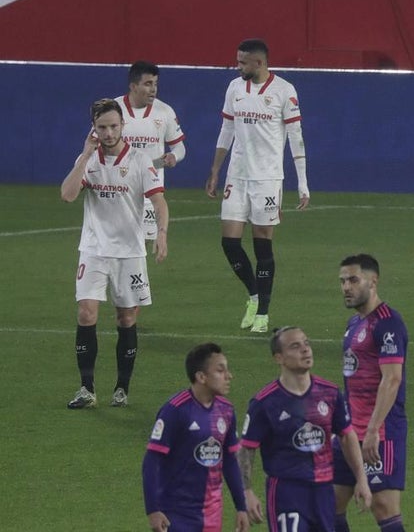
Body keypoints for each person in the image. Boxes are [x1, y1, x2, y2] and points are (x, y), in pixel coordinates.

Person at [61, 98, 168, 409]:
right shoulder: (89, 159)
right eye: (102, 127)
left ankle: (122, 387)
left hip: (129, 252)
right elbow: (68, 195)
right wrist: (84, 155)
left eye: (113, 126)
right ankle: (86, 388)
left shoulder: (140, 160)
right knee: (86, 312)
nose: (108, 133)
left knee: (126, 317)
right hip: (93, 250)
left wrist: (161, 233)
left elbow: (159, 202)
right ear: (93, 129)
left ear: (122, 126)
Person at [206, 39, 309, 335]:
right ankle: (254, 294)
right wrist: (215, 169)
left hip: (267, 179)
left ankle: (263, 312)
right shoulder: (234, 88)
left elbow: (296, 138)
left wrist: (302, 183)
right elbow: (226, 128)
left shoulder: (284, 91)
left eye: (242, 62)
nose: (237, 66)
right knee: (229, 242)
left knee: (262, 245)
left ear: (259, 63)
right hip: (236, 176)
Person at [239, 327, 371, 532]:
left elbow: (347, 436)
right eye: (295, 346)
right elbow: (246, 448)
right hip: (287, 491)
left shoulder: (330, 393)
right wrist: (246, 491)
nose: (305, 350)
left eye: (306, 343)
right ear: (279, 358)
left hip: (324, 490)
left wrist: (361, 479)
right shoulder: (264, 403)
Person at [334, 254, 409, 532]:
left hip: (381, 432)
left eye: (353, 280)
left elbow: (392, 380)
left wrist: (373, 430)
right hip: (349, 432)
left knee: (383, 506)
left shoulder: (388, 324)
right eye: (342, 281)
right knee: (330, 503)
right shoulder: (353, 324)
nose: (346, 287)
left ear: (373, 281)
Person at [143, 343, 250, 532]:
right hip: (175, 513)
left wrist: (241, 507)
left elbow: (230, 462)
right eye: (220, 370)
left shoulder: (226, 410)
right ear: (201, 377)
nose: (229, 376)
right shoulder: (175, 410)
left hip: (212, 515)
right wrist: (153, 510)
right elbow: (151, 461)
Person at [116, 60, 186, 243]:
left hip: (151, 192)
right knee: (117, 245)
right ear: (133, 86)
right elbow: (95, 146)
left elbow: (179, 147)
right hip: (118, 190)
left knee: (143, 246)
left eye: (155, 84)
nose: (153, 89)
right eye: (148, 84)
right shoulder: (113, 110)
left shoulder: (164, 112)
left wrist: (174, 156)